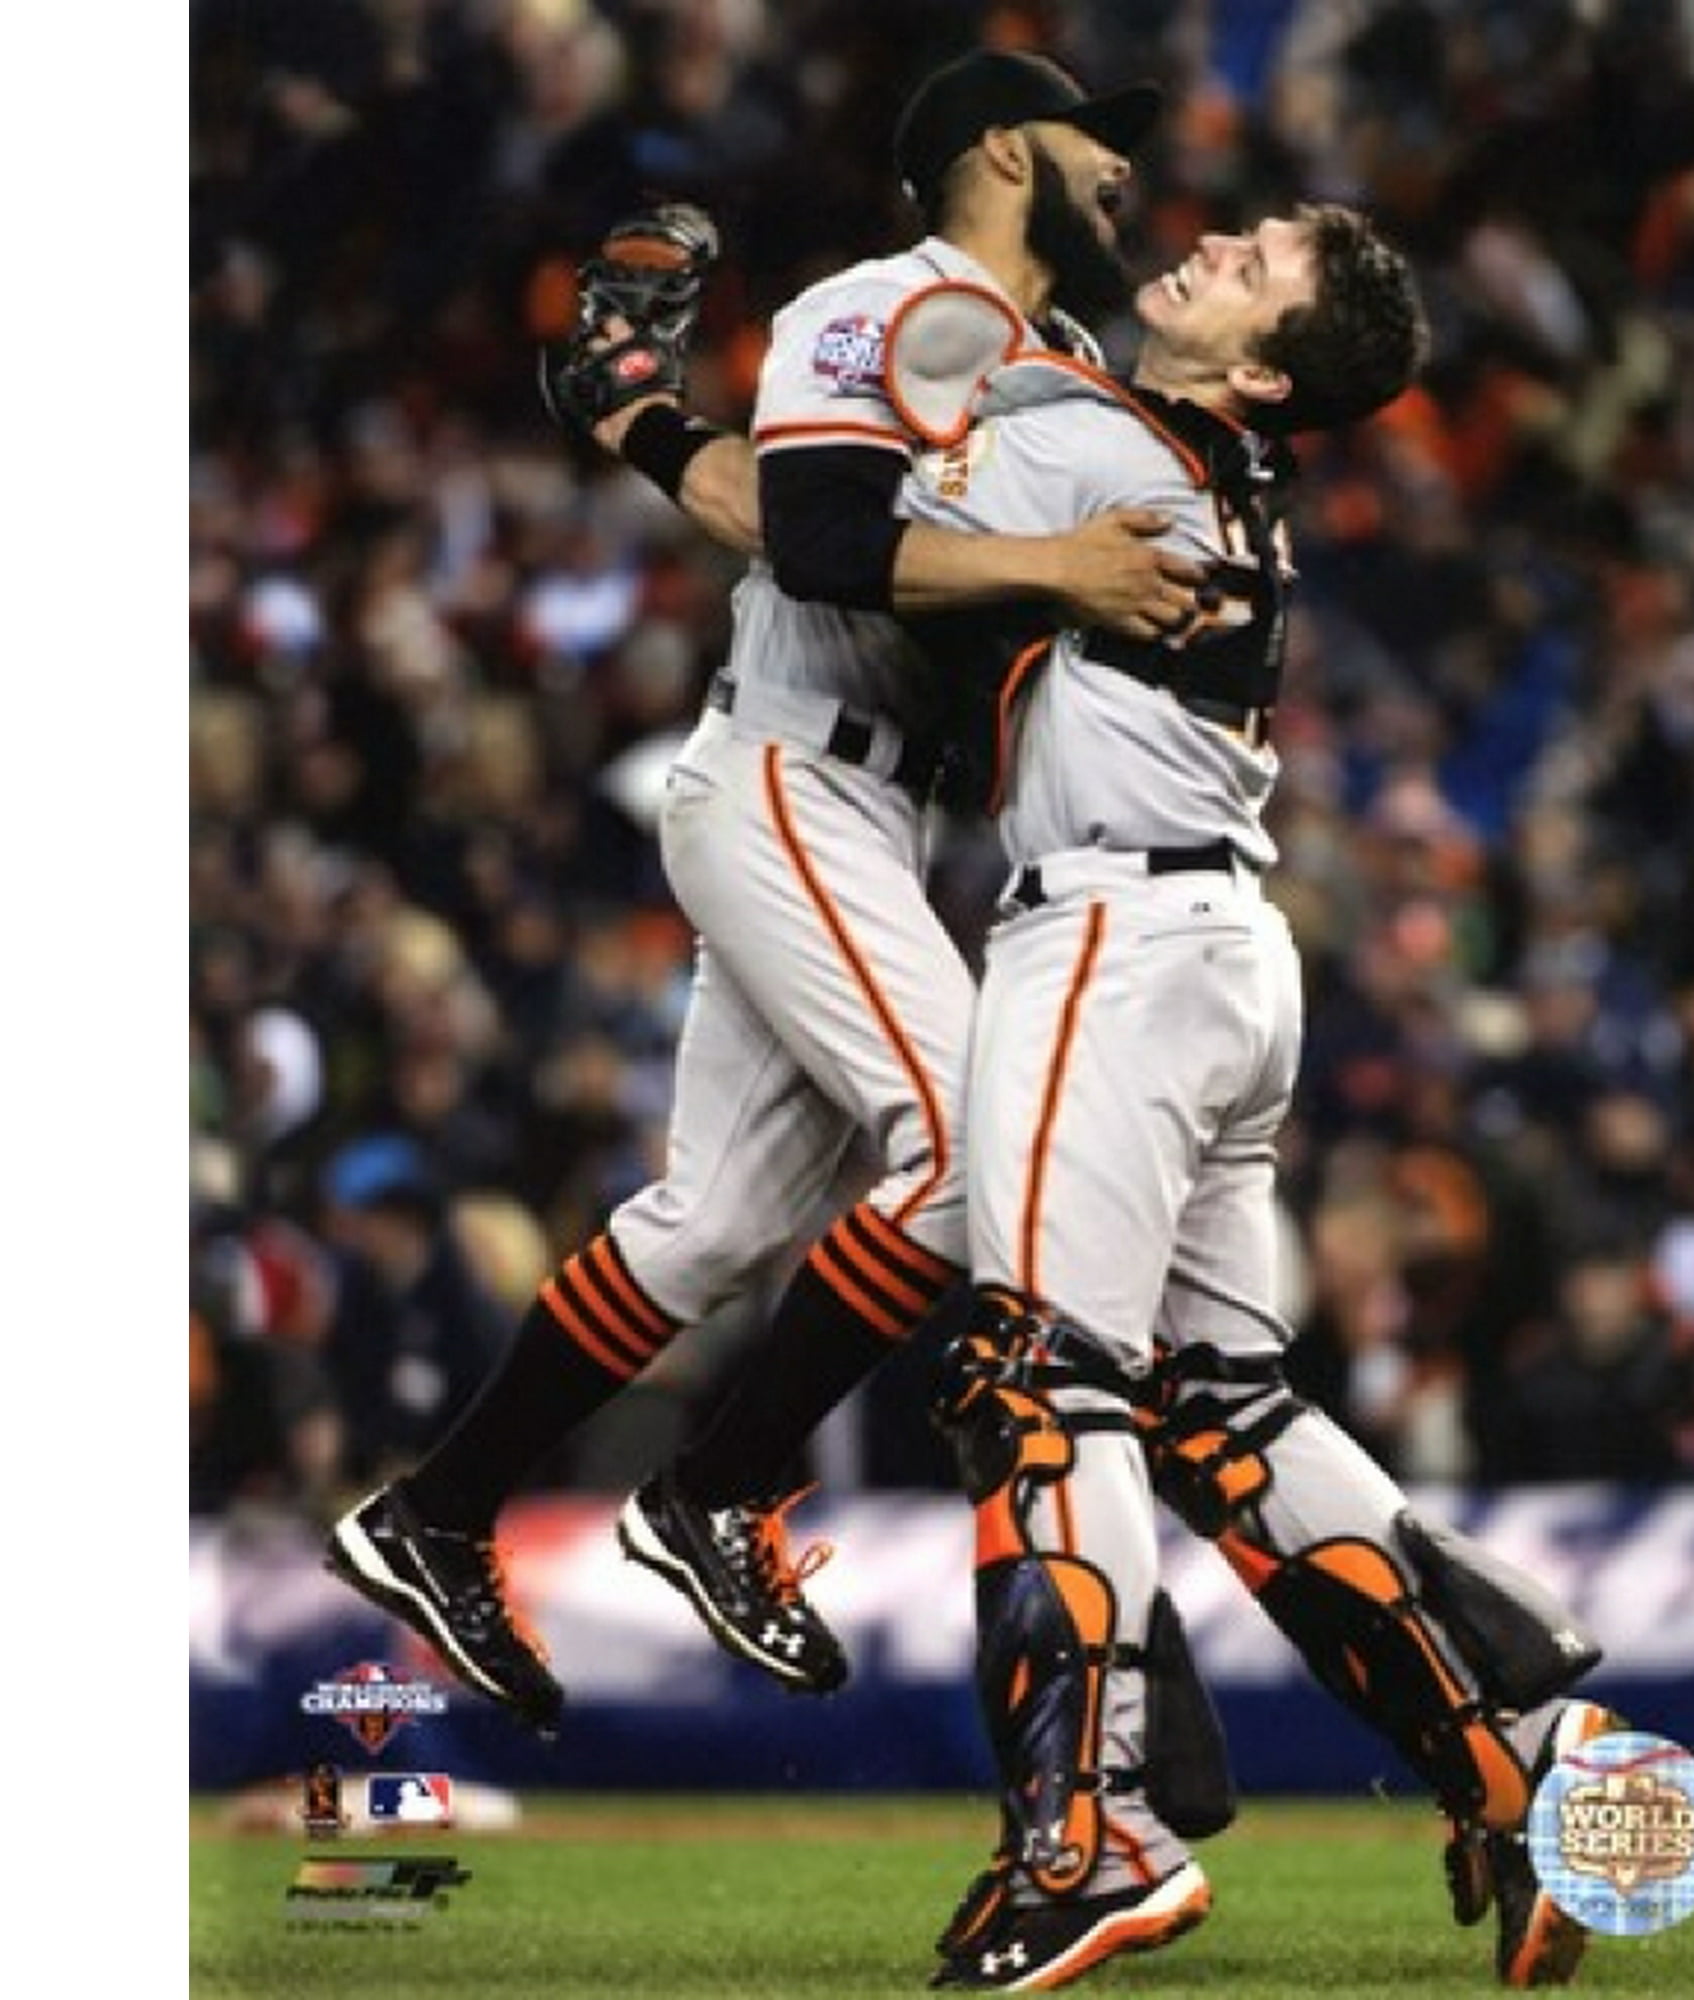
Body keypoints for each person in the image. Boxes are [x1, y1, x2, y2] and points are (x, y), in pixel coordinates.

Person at [323, 47, 1202, 1738]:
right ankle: (714, 1492)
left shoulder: (1057, 354)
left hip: (886, 806)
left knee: (716, 1224)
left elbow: (765, 504)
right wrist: (1056, 563)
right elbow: (810, 532)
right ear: (1005, 151)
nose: (1124, 174)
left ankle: (433, 1513)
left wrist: (642, 415)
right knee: (971, 1150)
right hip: (798, 771)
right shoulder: (890, 302)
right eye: (1100, 143)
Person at [878, 207, 1624, 1989]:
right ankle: (1505, 1762)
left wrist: (664, 431)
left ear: (1265, 368)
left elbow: (848, 542)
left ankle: (1088, 1840)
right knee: (1219, 1411)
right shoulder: (1196, 453)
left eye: (1261, 255)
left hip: (1118, 942)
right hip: (1219, 944)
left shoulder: (1092, 426)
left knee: (1039, 1380)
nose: (1218, 235)